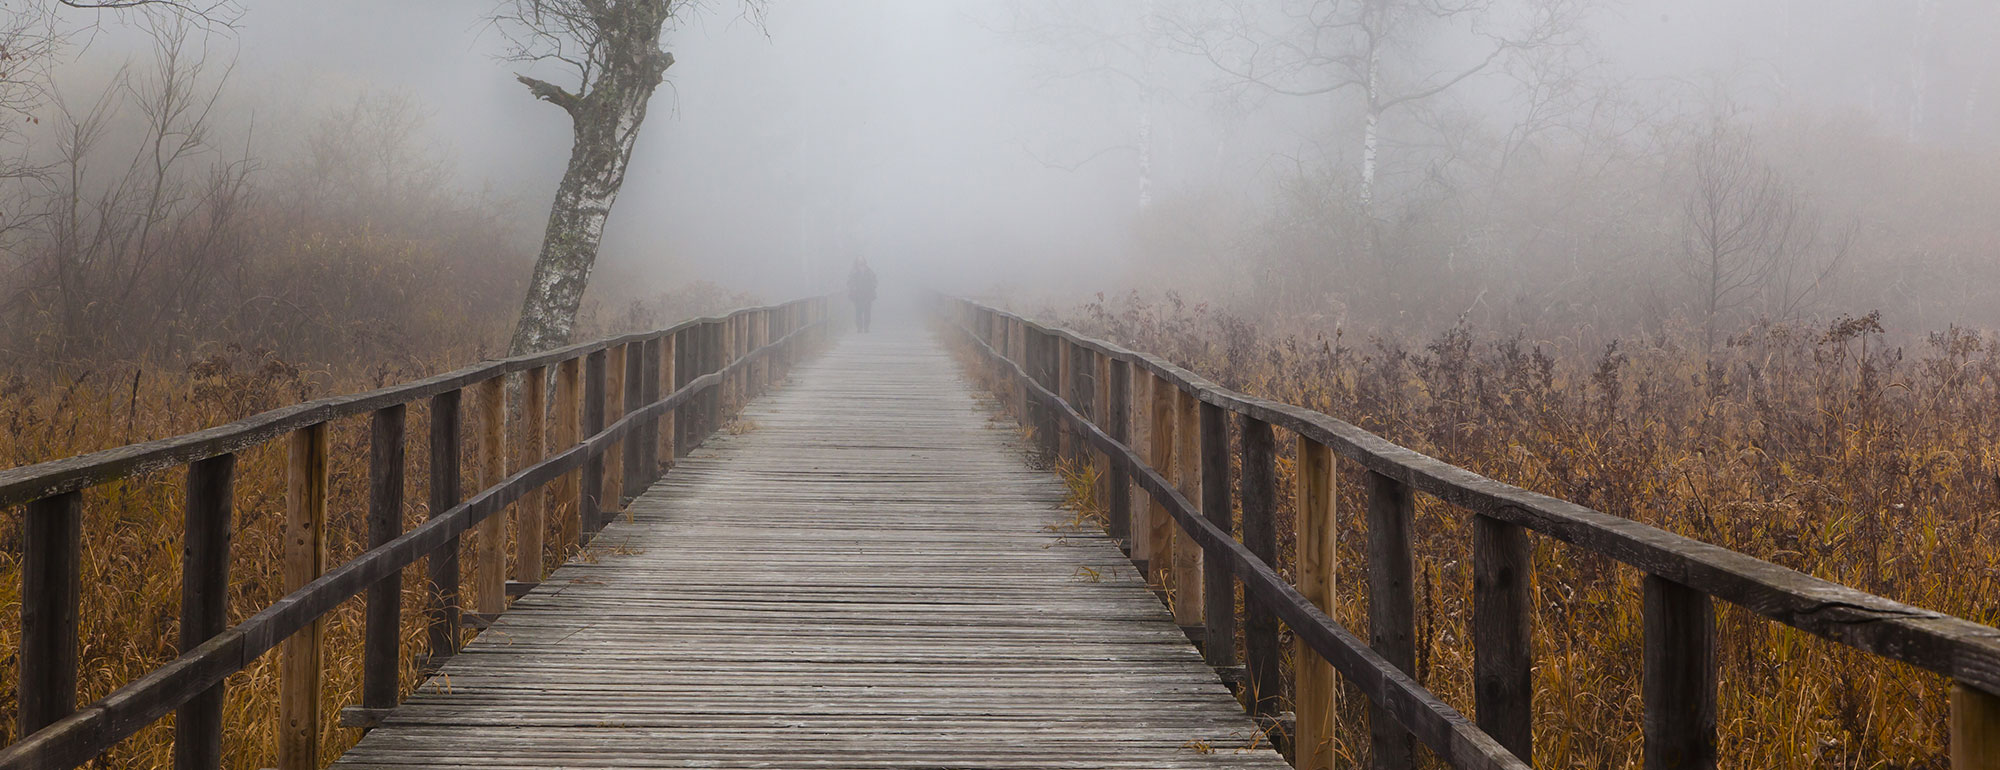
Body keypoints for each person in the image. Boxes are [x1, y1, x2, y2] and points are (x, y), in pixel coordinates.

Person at [847, 257, 878, 333]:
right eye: (859, 261)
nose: (861, 263)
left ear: (865, 262)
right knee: (858, 312)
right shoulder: (853, 272)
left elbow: (875, 281)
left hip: (867, 295)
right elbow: (849, 282)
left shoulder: (869, 271)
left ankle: (866, 327)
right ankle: (859, 327)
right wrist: (853, 287)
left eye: (862, 261)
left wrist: (872, 287)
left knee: (867, 311)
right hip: (857, 295)